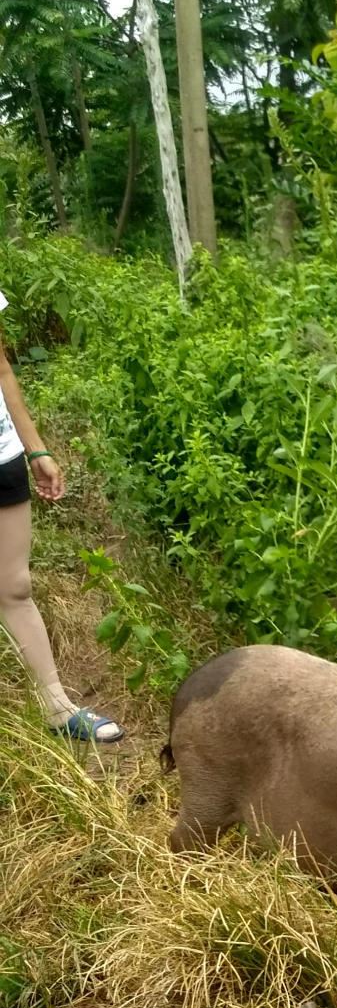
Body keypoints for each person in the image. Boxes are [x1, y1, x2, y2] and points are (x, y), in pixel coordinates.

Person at [0, 287, 124, 743]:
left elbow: (2, 367)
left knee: (14, 585)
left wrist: (37, 449)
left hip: (2, 454)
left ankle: (56, 708)